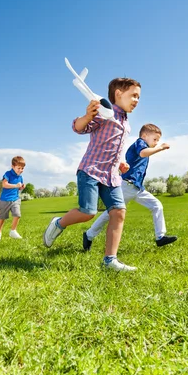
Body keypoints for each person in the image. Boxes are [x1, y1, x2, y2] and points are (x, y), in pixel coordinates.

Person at [42, 78, 141, 271]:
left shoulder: (126, 124)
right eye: (134, 95)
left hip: (111, 175)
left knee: (119, 212)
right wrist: (87, 116)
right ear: (119, 94)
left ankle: (109, 260)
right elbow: (78, 127)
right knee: (88, 212)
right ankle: (58, 223)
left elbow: (117, 147)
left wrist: (121, 161)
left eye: (138, 97)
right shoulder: (104, 113)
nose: (137, 100)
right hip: (91, 170)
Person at [83, 123, 177, 250]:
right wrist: (161, 147)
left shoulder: (144, 146)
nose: (156, 143)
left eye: (158, 141)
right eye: (155, 139)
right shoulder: (140, 144)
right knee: (110, 214)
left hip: (137, 188)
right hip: (126, 186)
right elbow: (143, 153)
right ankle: (89, 234)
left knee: (157, 206)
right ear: (144, 136)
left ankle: (160, 237)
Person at [0, 156, 25, 241]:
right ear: (13, 166)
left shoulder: (20, 177)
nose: (20, 170)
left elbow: (18, 188)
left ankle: (13, 231)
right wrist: (16, 185)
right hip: (5, 200)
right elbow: (4, 184)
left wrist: (21, 187)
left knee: (17, 215)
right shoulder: (8, 174)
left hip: (15, 199)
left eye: (22, 168)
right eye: (18, 168)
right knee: (2, 217)